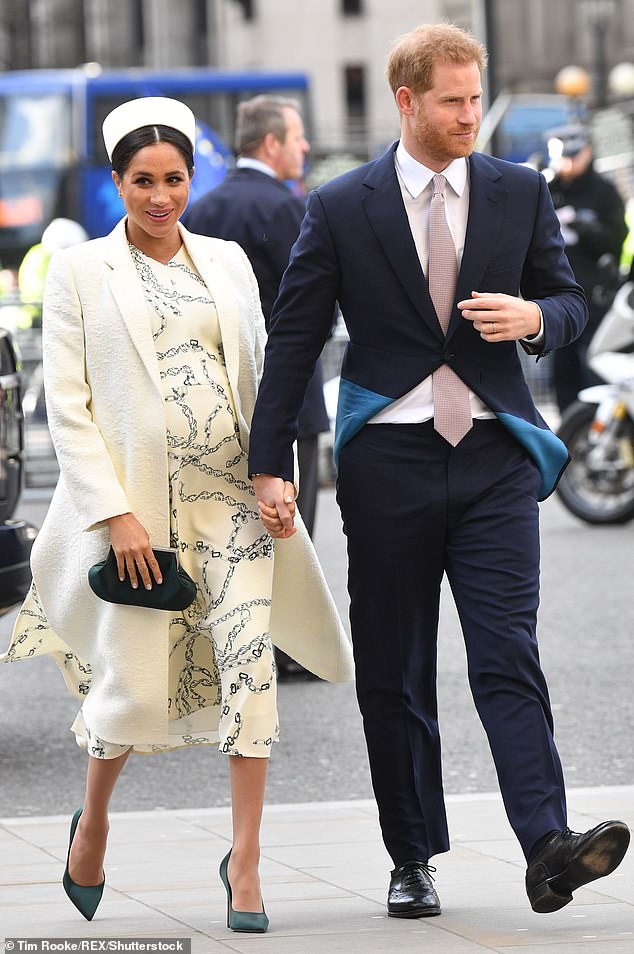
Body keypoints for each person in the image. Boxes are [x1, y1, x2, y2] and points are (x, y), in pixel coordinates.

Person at [247, 23, 630, 918]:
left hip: (496, 457)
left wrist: (535, 316)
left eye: (475, 95)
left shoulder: (517, 189)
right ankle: (410, 856)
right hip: (389, 462)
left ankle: (547, 845)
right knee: (395, 668)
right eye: (454, 100)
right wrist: (271, 464)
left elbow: (571, 300)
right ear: (408, 100)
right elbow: (296, 338)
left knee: (508, 652)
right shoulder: (341, 205)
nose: (471, 115)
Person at [2, 96, 353, 928]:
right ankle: (92, 824)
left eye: (174, 180)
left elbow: (267, 374)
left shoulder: (227, 260)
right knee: (131, 689)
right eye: (141, 182)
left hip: (234, 500)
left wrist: (275, 472)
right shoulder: (82, 273)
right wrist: (113, 515)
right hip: (141, 515)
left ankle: (247, 865)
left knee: (250, 674)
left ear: (193, 178)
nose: (160, 197)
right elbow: (70, 406)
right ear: (118, 183)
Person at [184, 94, 331, 680]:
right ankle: (287, 646)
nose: (305, 148)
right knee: (292, 524)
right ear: (271, 143)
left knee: (226, 526)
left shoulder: (204, 206)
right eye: (297, 138)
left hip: (219, 394)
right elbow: (314, 305)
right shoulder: (290, 208)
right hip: (289, 391)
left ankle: (232, 637)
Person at [545, 125, 627, 414]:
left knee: (594, 370)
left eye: (574, 156)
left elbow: (618, 241)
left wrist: (587, 228)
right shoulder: (544, 189)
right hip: (555, 299)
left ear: (588, 152)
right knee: (563, 376)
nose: (567, 163)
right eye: (561, 157)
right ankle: (570, 435)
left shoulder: (602, 192)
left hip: (594, 299)